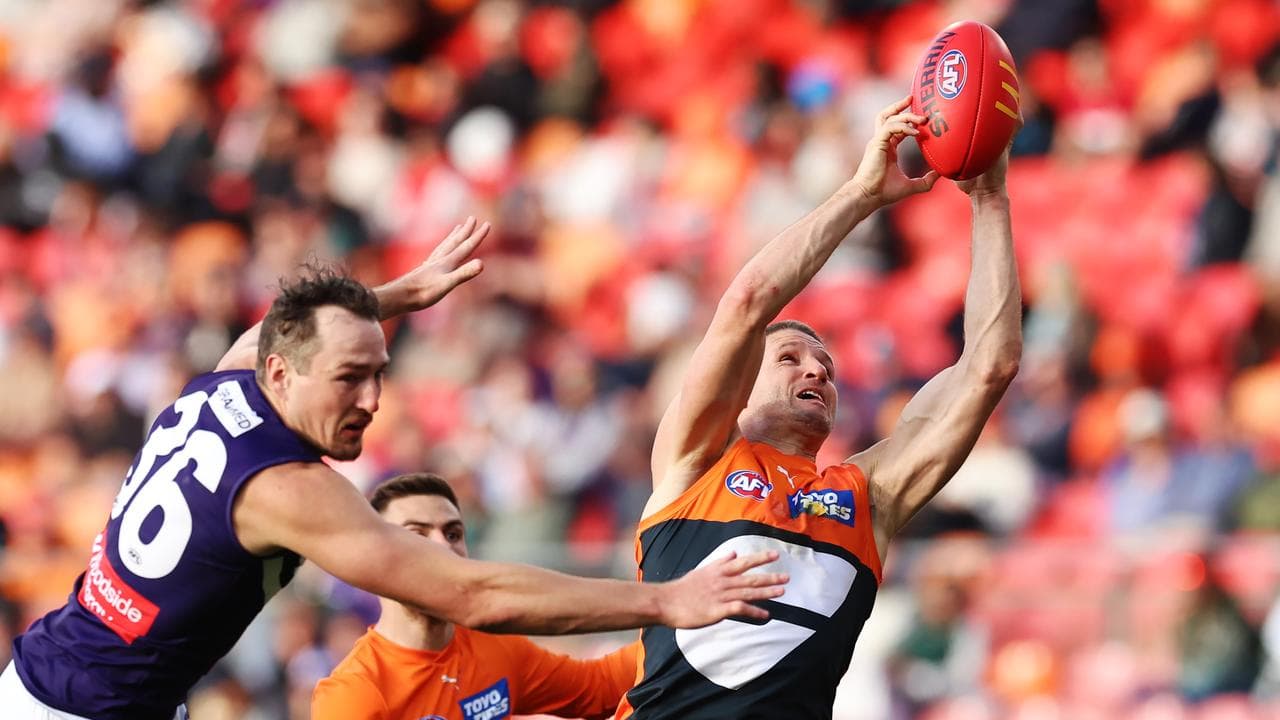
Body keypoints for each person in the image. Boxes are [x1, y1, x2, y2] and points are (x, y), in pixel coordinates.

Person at [1, 218, 787, 720]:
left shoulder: (228, 381)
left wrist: (397, 296)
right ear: (285, 375)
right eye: (349, 377)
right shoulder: (286, 490)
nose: (373, 399)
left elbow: (277, 328)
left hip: (49, 674)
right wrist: (666, 599)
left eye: (379, 372)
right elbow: (471, 592)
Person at [615, 97, 1023, 719]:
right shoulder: (695, 462)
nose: (816, 369)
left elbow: (989, 367)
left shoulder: (869, 497)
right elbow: (749, 300)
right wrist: (862, 194)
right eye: (790, 359)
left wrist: (989, 199)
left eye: (827, 367)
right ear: (742, 382)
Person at [313, 472, 641, 720]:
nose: (443, 546)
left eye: (453, 533)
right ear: (375, 560)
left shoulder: (494, 646)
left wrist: (682, 626)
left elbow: (599, 685)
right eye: (417, 533)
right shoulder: (353, 694)